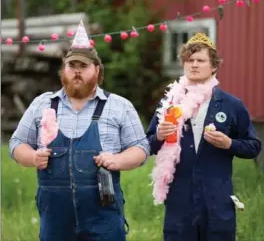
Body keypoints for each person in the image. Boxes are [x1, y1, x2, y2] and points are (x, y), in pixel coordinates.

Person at [9, 20, 150, 241]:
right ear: (63, 71)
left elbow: (141, 149)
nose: (77, 72)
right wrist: (33, 157)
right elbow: (17, 143)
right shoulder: (42, 104)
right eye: (71, 66)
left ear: (97, 70)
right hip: (55, 220)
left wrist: (118, 160)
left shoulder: (119, 106)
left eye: (83, 66)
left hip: (103, 218)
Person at [146, 33, 261, 241]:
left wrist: (229, 143)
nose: (194, 65)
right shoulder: (169, 103)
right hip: (179, 203)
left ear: (214, 66)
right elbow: (146, 145)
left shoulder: (231, 105)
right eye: (190, 60)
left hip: (217, 202)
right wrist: (159, 136)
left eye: (201, 60)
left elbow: (254, 147)